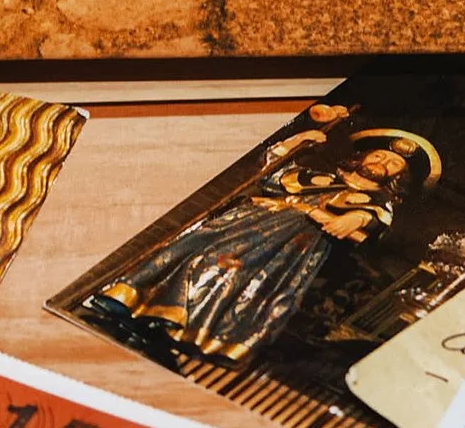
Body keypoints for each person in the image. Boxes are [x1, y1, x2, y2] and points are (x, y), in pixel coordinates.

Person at [82, 118, 441, 367]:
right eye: (379, 154)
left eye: (392, 163)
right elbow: (272, 174)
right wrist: (297, 142)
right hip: (243, 223)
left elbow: (358, 224)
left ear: (400, 176)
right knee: (187, 249)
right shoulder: (321, 176)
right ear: (362, 156)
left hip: (288, 247)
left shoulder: (378, 205)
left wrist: (341, 218)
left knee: (227, 275)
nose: (382, 162)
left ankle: (179, 328)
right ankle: (128, 302)